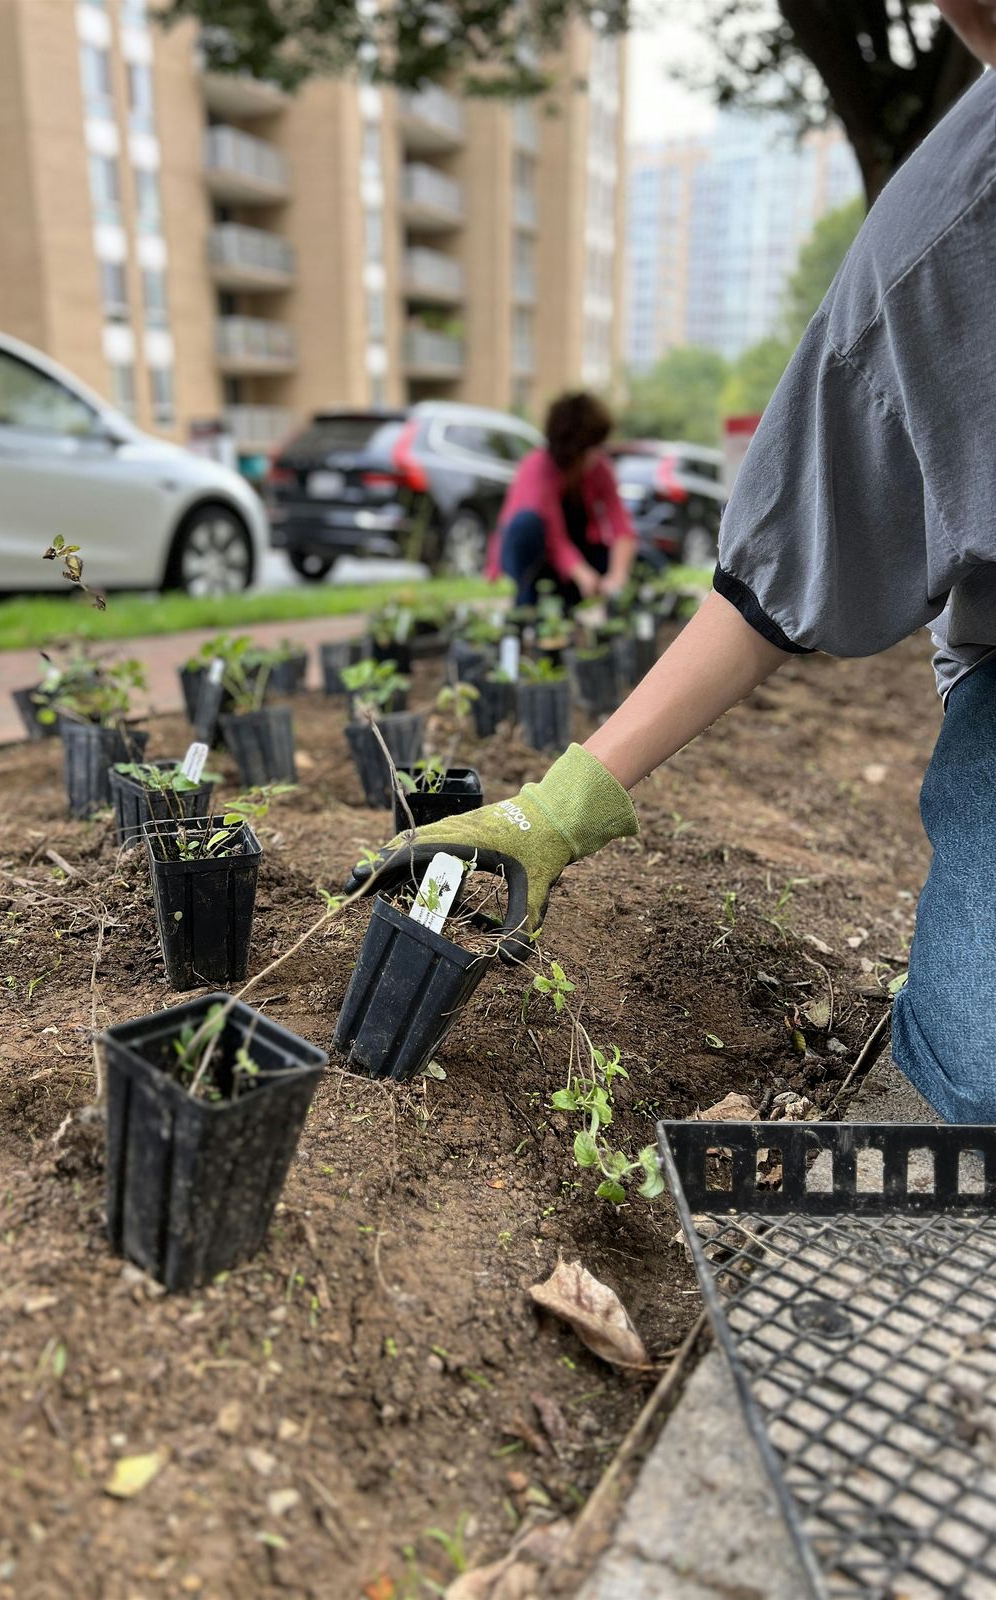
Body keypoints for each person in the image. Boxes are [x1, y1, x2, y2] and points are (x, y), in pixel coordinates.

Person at [349, 0, 996, 1126]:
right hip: (525, 550)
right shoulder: (943, 242)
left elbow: (607, 524)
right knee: (982, 1070)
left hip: (561, 542)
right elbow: (640, 552)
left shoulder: (593, 472)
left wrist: (608, 561)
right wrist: (553, 808)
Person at [487, 391, 638, 608]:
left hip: (569, 559)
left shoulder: (599, 469)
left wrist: (617, 575)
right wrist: (583, 574)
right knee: (527, 524)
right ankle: (527, 608)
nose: (595, 455)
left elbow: (621, 527)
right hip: (533, 556)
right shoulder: (538, 468)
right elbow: (553, 537)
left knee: (640, 559)